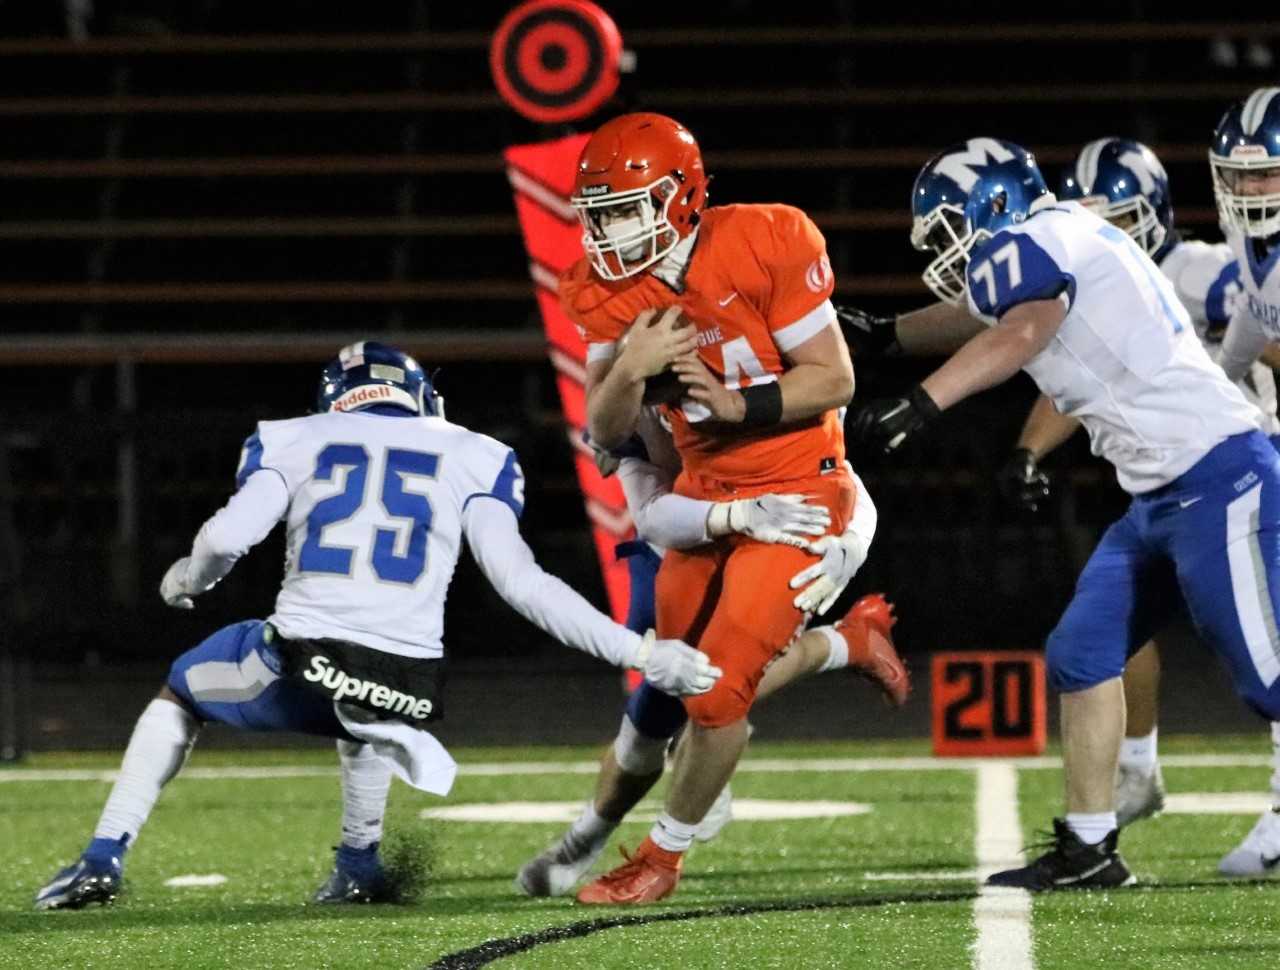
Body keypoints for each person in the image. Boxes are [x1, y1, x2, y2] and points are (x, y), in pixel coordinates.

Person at [33, 341, 720, 911]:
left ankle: (103, 856)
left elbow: (227, 537)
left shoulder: (294, 437)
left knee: (180, 694)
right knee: (357, 701)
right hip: (410, 682)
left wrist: (188, 577)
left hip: (301, 657)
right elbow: (523, 585)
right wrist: (639, 651)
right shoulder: (477, 453)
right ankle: (358, 864)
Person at [852, 136, 1278, 891]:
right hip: (1160, 492)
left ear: (995, 207)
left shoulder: (1048, 237)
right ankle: (1089, 848)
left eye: (954, 229)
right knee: (1083, 651)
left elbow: (1018, 334)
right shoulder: (1056, 244)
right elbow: (985, 314)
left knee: (1269, 681)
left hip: (1220, 477)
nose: (949, 252)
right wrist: (889, 335)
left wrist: (923, 404)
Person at [560, 112, 889, 904]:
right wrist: (631, 371)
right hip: (703, 495)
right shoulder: (607, 290)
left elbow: (834, 378)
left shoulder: (765, 239)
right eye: (600, 213)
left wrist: (742, 408)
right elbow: (602, 431)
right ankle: (846, 644)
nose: (610, 231)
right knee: (682, 682)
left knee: (714, 693)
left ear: (680, 197)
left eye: (628, 208)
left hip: (799, 490)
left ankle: (660, 859)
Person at [1000, 138, 1280, 837]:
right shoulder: (1098, 280)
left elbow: (1264, 322)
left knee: (1263, 660)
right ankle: (1135, 773)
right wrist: (1029, 451)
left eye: (1123, 220)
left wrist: (1236, 364)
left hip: (1235, 462)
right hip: (1159, 475)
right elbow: (1070, 382)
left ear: (1152, 215)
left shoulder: (1194, 270)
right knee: (1101, 637)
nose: (1111, 234)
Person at [515, 405, 905, 898]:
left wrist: (853, 543)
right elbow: (656, 519)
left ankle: (649, 850)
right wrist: (732, 512)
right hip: (685, 540)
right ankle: (586, 839)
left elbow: (837, 469)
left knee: (720, 688)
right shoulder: (636, 400)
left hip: (775, 536)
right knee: (650, 721)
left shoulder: (753, 380)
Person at [1208, 86, 1280, 877]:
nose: (1254, 191)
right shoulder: (1249, 242)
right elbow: (1252, 326)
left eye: (1269, 177)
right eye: (1245, 176)